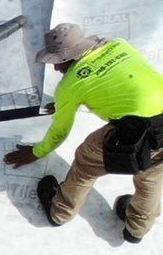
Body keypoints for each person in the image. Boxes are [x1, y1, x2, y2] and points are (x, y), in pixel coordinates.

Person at [9, 23, 163, 240]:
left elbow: (60, 132)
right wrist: (66, 103)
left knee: (87, 163)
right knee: (152, 175)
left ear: (69, 57)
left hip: (138, 130)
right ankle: (137, 229)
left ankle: (60, 212)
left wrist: (37, 152)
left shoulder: (70, 84)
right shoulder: (119, 45)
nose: (55, 68)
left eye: (57, 62)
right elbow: (121, 82)